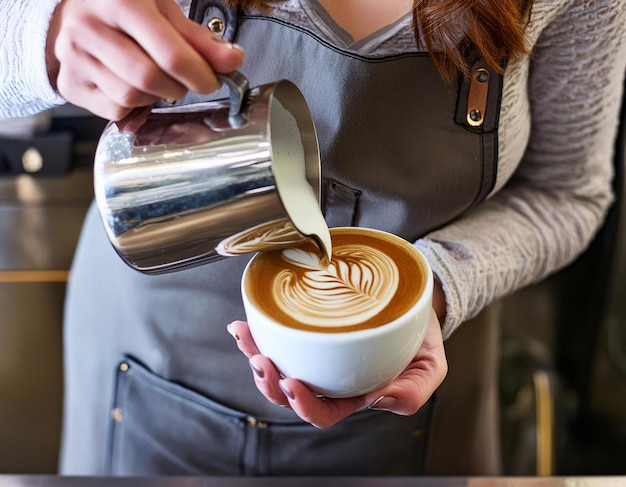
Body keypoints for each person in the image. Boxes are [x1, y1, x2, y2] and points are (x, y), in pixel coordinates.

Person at [2, 0, 625, 477]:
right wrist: (44, 39)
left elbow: (566, 193)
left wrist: (433, 290)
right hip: (149, 359)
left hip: (416, 387)